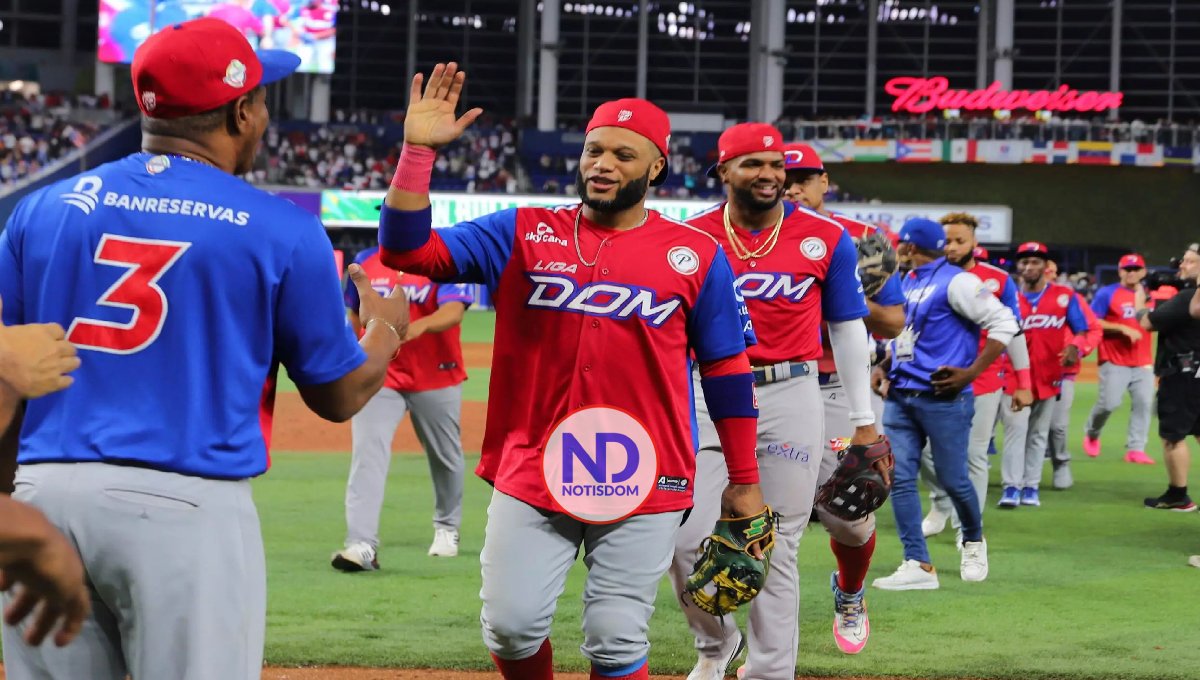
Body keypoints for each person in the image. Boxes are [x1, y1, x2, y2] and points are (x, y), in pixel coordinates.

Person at [0, 19, 409, 679]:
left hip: (41, 497)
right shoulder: (281, 228)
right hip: (183, 506)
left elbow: (6, 380)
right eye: (264, 98)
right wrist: (387, 328)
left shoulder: (40, 210)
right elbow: (336, 395)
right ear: (243, 110)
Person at [375, 65, 768, 680]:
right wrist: (417, 152)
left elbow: (725, 367)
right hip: (532, 462)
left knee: (615, 637)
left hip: (648, 471)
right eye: (594, 150)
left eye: (622, 154)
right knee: (509, 627)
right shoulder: (525, 231)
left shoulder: (694, 255)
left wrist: (743, 478)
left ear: (655, 166)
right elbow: (407, 251)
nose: (602, 164)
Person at [669, 129, 880, 678]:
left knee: (778, 540)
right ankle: (717, 644)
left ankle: (770, 672)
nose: (768, 173)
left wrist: (864, 422)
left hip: (791, 389)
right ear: (723, 171)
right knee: (685, 532)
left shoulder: (825, 238)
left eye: (775, 163)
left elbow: (849, 328)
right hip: (707, 389)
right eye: (751, 164)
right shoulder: (689, 237)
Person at [779, 141, 902, 656]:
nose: (794, 187)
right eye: (785, 179)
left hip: (835, 389)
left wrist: (848, 295)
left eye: (805, 177)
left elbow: (893, 322)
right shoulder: (745, 240)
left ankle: (850, 592)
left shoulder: (858, 239)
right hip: (765, 387)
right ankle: (760, 647)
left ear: (824, 182)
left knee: (848, 517)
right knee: (754, 517)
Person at [870, 218, 1021, 590]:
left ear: (909, 247)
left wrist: (972, 373)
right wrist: (885, 365)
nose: (896, 251)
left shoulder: (960, 281)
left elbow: (1005, 322)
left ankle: (972, 540)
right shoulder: (908, 281)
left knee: (955, 480)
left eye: (900, 245)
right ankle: (917, 564)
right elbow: (907, 334)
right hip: (902, 395)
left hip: (943, 399)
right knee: (900, 479)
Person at [331, 246, 474, 571]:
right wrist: (351, 357)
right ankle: (361, 543)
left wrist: (416, 327)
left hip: (437, 374)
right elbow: (355, 316)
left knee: (445, 456)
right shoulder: (366, 261)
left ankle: (447, 528)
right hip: (382, 376)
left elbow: (454, 311)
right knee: (367, 455)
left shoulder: (443, 260)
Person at [921, 212, 1032, 539]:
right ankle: (941, 502)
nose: (953, 247)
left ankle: (968, 528)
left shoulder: (997, 280)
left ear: (974, 243)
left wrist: (1023, 383)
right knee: (925, 451)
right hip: (933, 379)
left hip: (981, 379)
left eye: (960, 241)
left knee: (974, 454)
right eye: (948, 241)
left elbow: (1015, 331)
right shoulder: (927, 276)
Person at [996, 243, 1093, 508]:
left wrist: (1075, 347)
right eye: (1024, 262)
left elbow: (1082, 329)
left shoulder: (1064, 296)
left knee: (1039, 434)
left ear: (1046, 266)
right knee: (1016, 431)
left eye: (1035, 262)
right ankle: (1011, 487)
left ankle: (1031, 486)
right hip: (1014, 377)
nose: (1029, 267)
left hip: (1050, 374)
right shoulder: (1009, 296)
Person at [1138, 246, 1200, 511]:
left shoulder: (1188, 298)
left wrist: (1141, 298)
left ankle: (1178, 494)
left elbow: (1147, 322)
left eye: (1189, 261)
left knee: (1173, 436)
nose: (1181, 266)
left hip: (1182, 374)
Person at [1084, 253, 1155, 464]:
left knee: (1144, 404)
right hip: (1114, 359)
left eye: (1136, 269)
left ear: (1143, 271)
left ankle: (1136, 448)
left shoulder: (1148, 296)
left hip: (1142, 360)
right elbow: (1094, 321)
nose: (1131, 273)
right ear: (1120, 271)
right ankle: (1092, 433)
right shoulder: (1107, 293)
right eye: (1127, 269)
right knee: (1109, 403)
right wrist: (1122, 327)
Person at [1045, 259, 1102, 490]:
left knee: (1057, 425)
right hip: (1024, 372)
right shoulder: (1019, 297)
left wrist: (1079, 349)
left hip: (1062, 371)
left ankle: (1060, 464)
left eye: (1050, 269)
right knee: (1017, 426)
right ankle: (1017, 476)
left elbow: (1094, 328)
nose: (1046, 273)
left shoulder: (1070, 298)